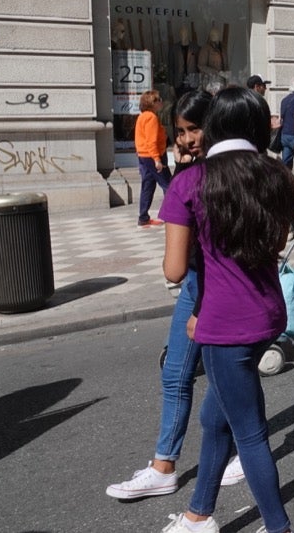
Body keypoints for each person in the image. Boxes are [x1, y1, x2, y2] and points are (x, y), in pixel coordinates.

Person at [159, 86, 294, 533]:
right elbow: (281, 240)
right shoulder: (273, 173)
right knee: (213, 415)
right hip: (269, 314)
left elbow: (173, 269)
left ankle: (277, 527)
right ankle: (199, 512)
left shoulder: (190, 182)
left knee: (251, 433)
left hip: (224, 327)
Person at [107, 91, 248, 500]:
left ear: (216, 125)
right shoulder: (189, 172)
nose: (186, 139)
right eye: (181, 131)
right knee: (175, 373)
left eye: (195, 129)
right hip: (194, 286)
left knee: (227, 379)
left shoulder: (224, 173)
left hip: (219, 289)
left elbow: (184, 258)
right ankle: (164, 465)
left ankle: (239, 453)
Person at [136, 89, 172, 228]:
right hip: (153, 156)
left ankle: (143, 217)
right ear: (152, 103)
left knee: (148, 186)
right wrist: (157, 159)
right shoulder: (151, 118)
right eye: (158, 100)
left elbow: (141, 139)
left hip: (144, 156)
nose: (161, 102)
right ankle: (171, 214)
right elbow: (151, 141)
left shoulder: (142, 116)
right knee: (168, 185)